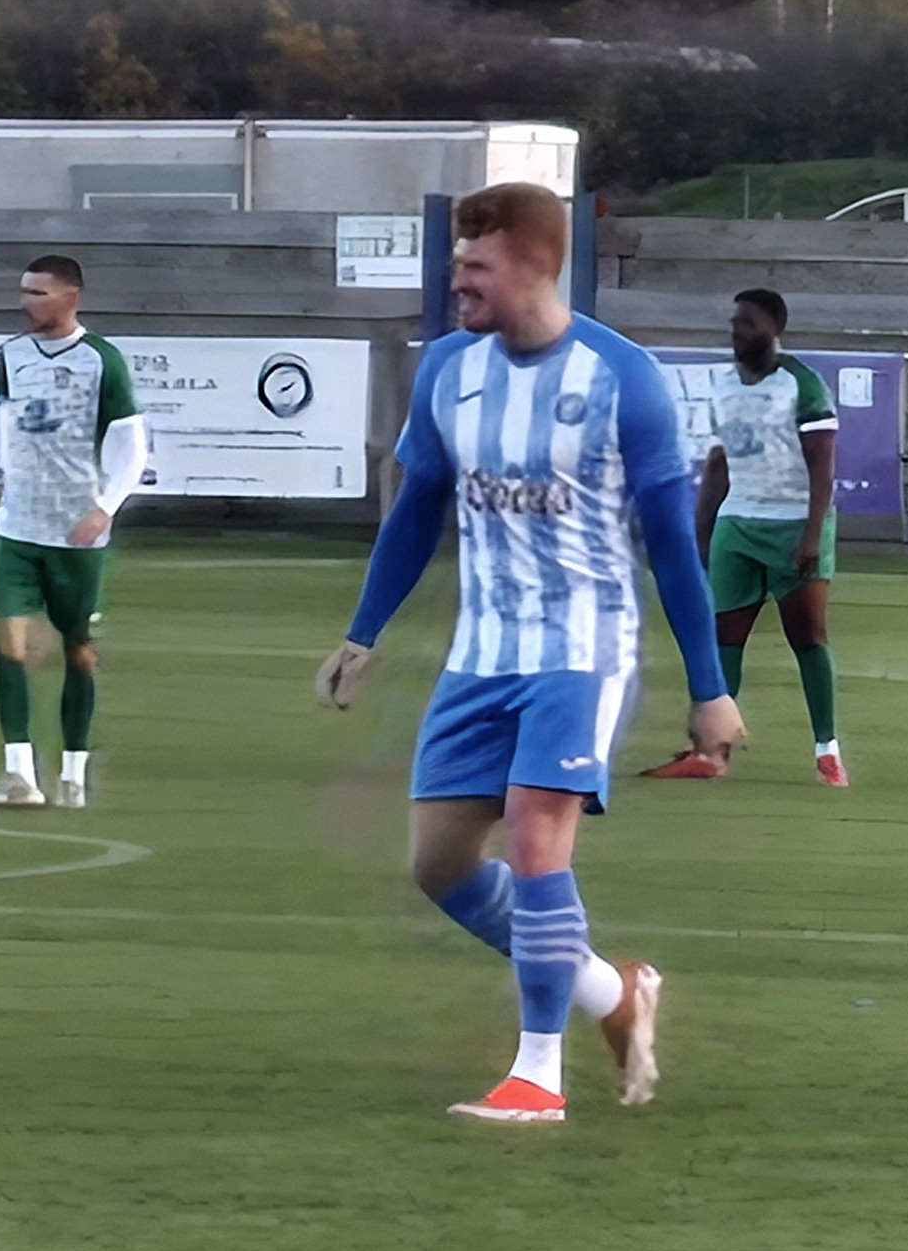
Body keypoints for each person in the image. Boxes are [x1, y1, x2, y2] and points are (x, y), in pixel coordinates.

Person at [317, 180, 741, 1124]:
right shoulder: (447, 369)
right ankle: (612, 994)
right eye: (456, 264)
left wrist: (709, 689)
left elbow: (673, 544)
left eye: (476, 266)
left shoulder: (623, 378)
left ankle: (536, 1077)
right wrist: (362, 631)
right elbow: (418, 506)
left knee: (536, 836)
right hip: (482, 654)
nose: (457, 281)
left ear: (536, 266)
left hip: (582, 650)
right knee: (438, 867)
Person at [642, 287, 845, 785]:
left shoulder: (802, 384)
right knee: (723, 638)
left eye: (747, 323)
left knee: (808, 637)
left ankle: (827, 749)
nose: (736, 332)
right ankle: (711, 751)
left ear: (774, 329)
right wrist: (700, 531)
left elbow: (822, 466)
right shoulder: (725, 386)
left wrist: (811, 535)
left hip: (792, 523)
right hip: (738, 522)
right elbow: (719, 461)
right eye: (734, 323)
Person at [0, 252, 147, 810]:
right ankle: (18, 774)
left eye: (38, 293)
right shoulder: (9, 357)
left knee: (80, 652)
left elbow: (132, 446)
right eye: (24, 292)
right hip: (18, 527)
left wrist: (105, 508)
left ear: (71, 296)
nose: (26, 302)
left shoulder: (102, 361)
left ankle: (74, 769)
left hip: (76, 531)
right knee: (7, 644)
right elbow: (0, 418)